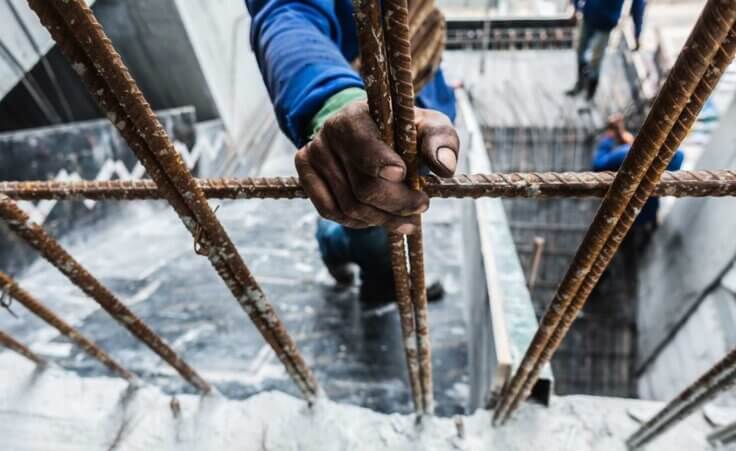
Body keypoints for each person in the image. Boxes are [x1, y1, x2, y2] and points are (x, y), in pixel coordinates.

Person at [246, 1, 459, 303]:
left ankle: (358, 256)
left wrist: (442, 102)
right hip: (362, 111)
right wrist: (333, 102)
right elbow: (287, 14)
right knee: (374, 214)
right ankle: (364, 267)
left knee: (391, 213)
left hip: (419, 107)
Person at [592, 114, 683, 231]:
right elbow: (678, 156)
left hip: (625, 212)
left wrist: (609, 137)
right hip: (646, 210)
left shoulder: (624, 153)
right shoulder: (672, 159)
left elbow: (598, 165)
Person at [566, 0, 647, 101]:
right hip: (588, 15)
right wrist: (575, 6)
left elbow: (638, 6)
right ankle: (580, 85)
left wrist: (637, 34)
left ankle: (589, 96)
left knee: (595, 60)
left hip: (606, 24)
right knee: (580, 51)